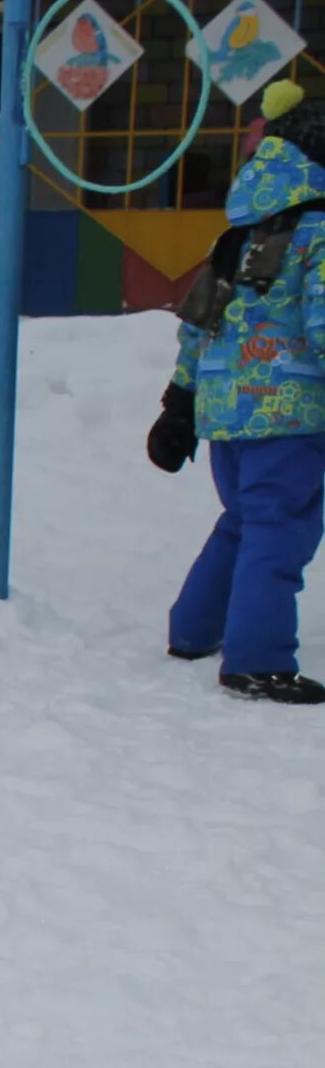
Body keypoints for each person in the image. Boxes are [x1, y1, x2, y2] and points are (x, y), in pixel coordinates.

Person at [145, 82, 325, 705]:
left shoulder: (235, 238)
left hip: (227, 413)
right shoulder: (319, 236)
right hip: (292, 414)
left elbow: (200, 325)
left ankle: (194, 631)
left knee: (243, 523)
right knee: (280, 533)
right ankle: (257, 661)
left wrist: (180, 404)